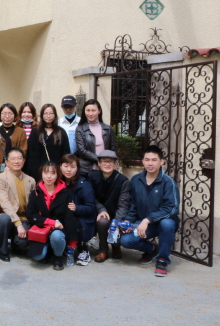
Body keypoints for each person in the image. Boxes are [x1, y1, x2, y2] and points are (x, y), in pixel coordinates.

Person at [120, 145, 179, 277]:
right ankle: (152, 249)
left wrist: (148, 220)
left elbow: (172, 208)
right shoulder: (136, 180)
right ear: (142, 161)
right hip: (143, 223)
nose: (150, 163)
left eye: (154, 160)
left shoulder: (168, 182)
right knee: (126, 240)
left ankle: (162, 260)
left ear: (161, 162)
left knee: (167, 223)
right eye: (147, 160)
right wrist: (128, 221)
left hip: (162, 223)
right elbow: (133, 205)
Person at [26, 162, 81, 271]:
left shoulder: (66, 193)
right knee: (38, 256)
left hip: (59, 230)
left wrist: (72, 242)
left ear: (57, 175)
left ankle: (58, 257)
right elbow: (31, 215)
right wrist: (51, 222)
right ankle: (48, 251)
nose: (49, 176)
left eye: (52, 173)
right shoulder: (35, 192)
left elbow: (69, 218)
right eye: (46, 173)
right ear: (41, 174)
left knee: (57, 236)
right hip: (41, 229)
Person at [0, 148, 36, 261]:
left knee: (22, 242)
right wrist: (17, 223)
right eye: (13, 159)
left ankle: (15, 244)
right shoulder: (1, 178)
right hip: (6, 216)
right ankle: (3, 251)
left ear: (24, 161)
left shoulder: (30, 180)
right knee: (4, 220)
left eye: (19, 158)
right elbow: (4, 203)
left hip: (24, 218)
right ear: (7, 162)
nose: (16, 161)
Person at [87, 150, 130, 263]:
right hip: (99, 213)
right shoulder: (91, 177)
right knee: (103, 221)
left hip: (117, 214)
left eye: (110, 161)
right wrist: (101, 209)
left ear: (115, 164)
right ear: (99, 163)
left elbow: (123, 205)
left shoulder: (123, 181)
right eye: (104, 161)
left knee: (116, 225)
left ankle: (116, 247)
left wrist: (117, 221)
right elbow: (90, 197)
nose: (107, 164)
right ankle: (103, 250)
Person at [60, 154, 96, 266]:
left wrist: (77, 208)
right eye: (66, 166)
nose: (69, 170)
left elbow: (91, 207)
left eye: (72, 167)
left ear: (78, 168)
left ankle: (82, 249)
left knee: (73, 221)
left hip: (82, 220)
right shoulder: (58, 182)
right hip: (63, 217)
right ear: (60, 167)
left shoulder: (84, 184)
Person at [25, 103, 70, 182]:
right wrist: (36, 172)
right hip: (38, 171)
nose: (48, 116)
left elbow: (65, 153)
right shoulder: (35, 132)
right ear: (42, 115)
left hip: (56, 172)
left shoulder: (61, 132)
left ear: (55, 115)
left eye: (51, 113)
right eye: (45, 113)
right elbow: (31, 155)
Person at [75, 99, 116, 176]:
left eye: (93, 110)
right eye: (88, 110)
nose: (90, 113)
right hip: (86, 170)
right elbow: (82, 150)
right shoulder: (80, 129)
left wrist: (107, 162)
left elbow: (113, 149)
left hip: (105, 169)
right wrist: (100, 159)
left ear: (99, 111)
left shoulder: (108, 129)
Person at [0, 103, 28, 182]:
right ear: (0, 115)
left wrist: (13, 164)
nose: (7, 116)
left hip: (15, 169)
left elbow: (23, 150)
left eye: (10, 113)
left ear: (15, 115)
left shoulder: (21, 132)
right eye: (4, 113)